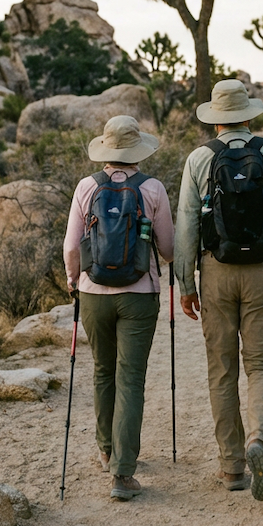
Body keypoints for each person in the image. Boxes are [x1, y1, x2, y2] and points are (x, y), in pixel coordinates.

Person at [175, 79, 263, 501]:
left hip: (216, 271)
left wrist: (185, 283)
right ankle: (260, 443)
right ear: (249, 114)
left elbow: (187, 229)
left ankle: (232, 466)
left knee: (222, 370)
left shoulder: (199, 159)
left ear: (214, 119)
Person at [63, 115, 174, 501]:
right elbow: (168, 249)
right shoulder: (153, 188)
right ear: (137, 151)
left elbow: (72, 246)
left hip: (93, 293)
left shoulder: (86, 187)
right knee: (131, 378)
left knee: (102, 372)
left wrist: (72, 280)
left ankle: (106, 449)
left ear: (107, 151)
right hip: (139, 294)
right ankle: (123, 473)